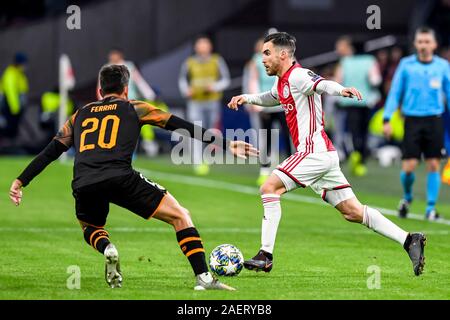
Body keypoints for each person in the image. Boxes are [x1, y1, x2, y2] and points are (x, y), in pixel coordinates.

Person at [9, 64, 258, 290]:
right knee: (180, 215)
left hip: (84, 182)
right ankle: (203, 277)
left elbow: (51, 152)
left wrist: (21, 181)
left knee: (91, 227)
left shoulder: (79, 114)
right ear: (126, 89)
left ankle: (108, 248)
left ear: (99, 90)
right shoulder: (135, 107)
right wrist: (225, 143)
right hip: (121, 178)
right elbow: (176, 124)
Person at [227, 32, 426, 276]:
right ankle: (409, 240)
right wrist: (246, 98)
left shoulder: (299, 75)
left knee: (269, 188)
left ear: (283, 54)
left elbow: (321, 84)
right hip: (323, 155)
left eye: (267, 53)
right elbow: (271, 98)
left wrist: (341, 90)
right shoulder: (283, 81)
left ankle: (265, 255)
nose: (263, 59)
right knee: (352, 212)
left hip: (313, 153)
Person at [383, 27, 450, 220]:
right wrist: (387, 118)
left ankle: (430, 208)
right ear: (415, 44)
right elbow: (395, 93)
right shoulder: (406, 65)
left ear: (434, 44)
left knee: (433, 164)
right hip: (412, 120)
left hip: (434, 120)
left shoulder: (442, 66)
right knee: (409, 167)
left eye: (427, 42)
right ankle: (407, 197)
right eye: (420, 41)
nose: (423, 45)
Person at [178, 35, 231, 175]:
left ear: (210, 47)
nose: (202, 47)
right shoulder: (189, 62)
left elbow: (226, 80)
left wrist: (215, 86)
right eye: (200, 44)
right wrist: (186, 90)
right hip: (195, 102)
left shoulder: (217, 60)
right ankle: (197, 162)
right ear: (196, 47)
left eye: (205, 44)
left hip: (212, 101)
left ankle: (207, 157)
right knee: (195, 131)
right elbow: (182, 80)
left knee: (210, 133)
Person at [245, 35, 292, 186]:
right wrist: (257, 103)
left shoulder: (285, 58)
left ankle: (292, 171)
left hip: (283, 104)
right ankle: (264, 171)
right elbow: (253, 80)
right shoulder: (257, 61)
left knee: (289, 137)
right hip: (266, 105)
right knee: (266, 139)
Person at [334, 36, 382, 176]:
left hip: (349, 101)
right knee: (364, 131)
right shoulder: (370, 61)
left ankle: (354, 153)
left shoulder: (345, 62)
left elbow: (338, 80)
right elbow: (375, 80)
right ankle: (361, 158)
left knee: (353, 130)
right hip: (366, 100)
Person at [99, 48, 159, 157]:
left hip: (129, 102)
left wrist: (150, 94)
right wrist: (101, 100)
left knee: (132, 127)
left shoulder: (129, 66)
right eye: (111, 55)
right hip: (112, 103)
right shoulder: (106, 68)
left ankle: (138, 149)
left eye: (115, 55)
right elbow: (100, 86)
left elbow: (139, 81)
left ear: (120, 55)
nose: (113, 57)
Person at [0, 52, 29, 144]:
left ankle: (9, 145)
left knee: (13, 129)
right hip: (9, 107)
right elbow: (10, 92)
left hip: (14, 107)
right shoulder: (11, 74)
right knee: (8, 127)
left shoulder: (18, 73)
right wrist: (15, 108)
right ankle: (6, 146)